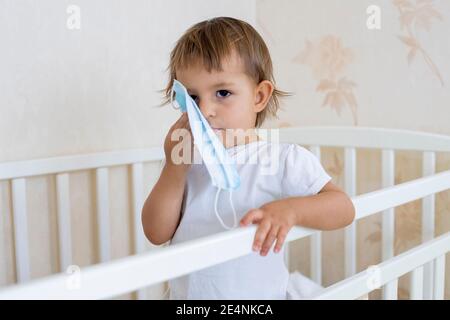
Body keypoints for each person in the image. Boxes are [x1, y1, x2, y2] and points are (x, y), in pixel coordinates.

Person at [142, 17, 355, 299]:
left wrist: (292, 210)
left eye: (222, 93)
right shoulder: (185, 161)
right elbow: (156, 233)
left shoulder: (281, 159)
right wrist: (173, 169)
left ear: (259, 96)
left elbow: (343, 208)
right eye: (192, 97)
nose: (205, 110)